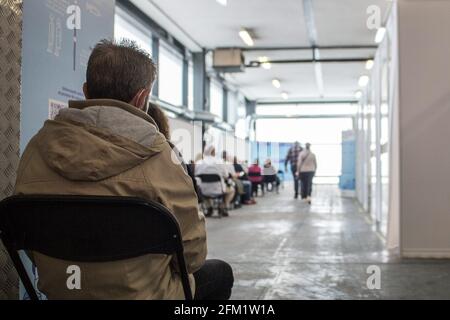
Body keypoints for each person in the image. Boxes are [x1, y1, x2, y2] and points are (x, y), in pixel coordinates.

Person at [13, 39, 233, 300]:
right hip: (143, 296)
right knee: (220, 273)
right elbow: (193, 256)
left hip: (62, 292)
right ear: (141, 98)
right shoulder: (162, 155)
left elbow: (27, 240)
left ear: (85, 90)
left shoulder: (36, 147)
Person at [195, 146, 236, 217]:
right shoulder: (220, 162)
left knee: (205, 192)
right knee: (232, 190)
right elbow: (226, 175)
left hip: (203, 190)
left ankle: (209, 207)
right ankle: (223, 207)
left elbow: (196, 175)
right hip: (218, 190)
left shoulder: (199, 163)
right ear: (213, 152)